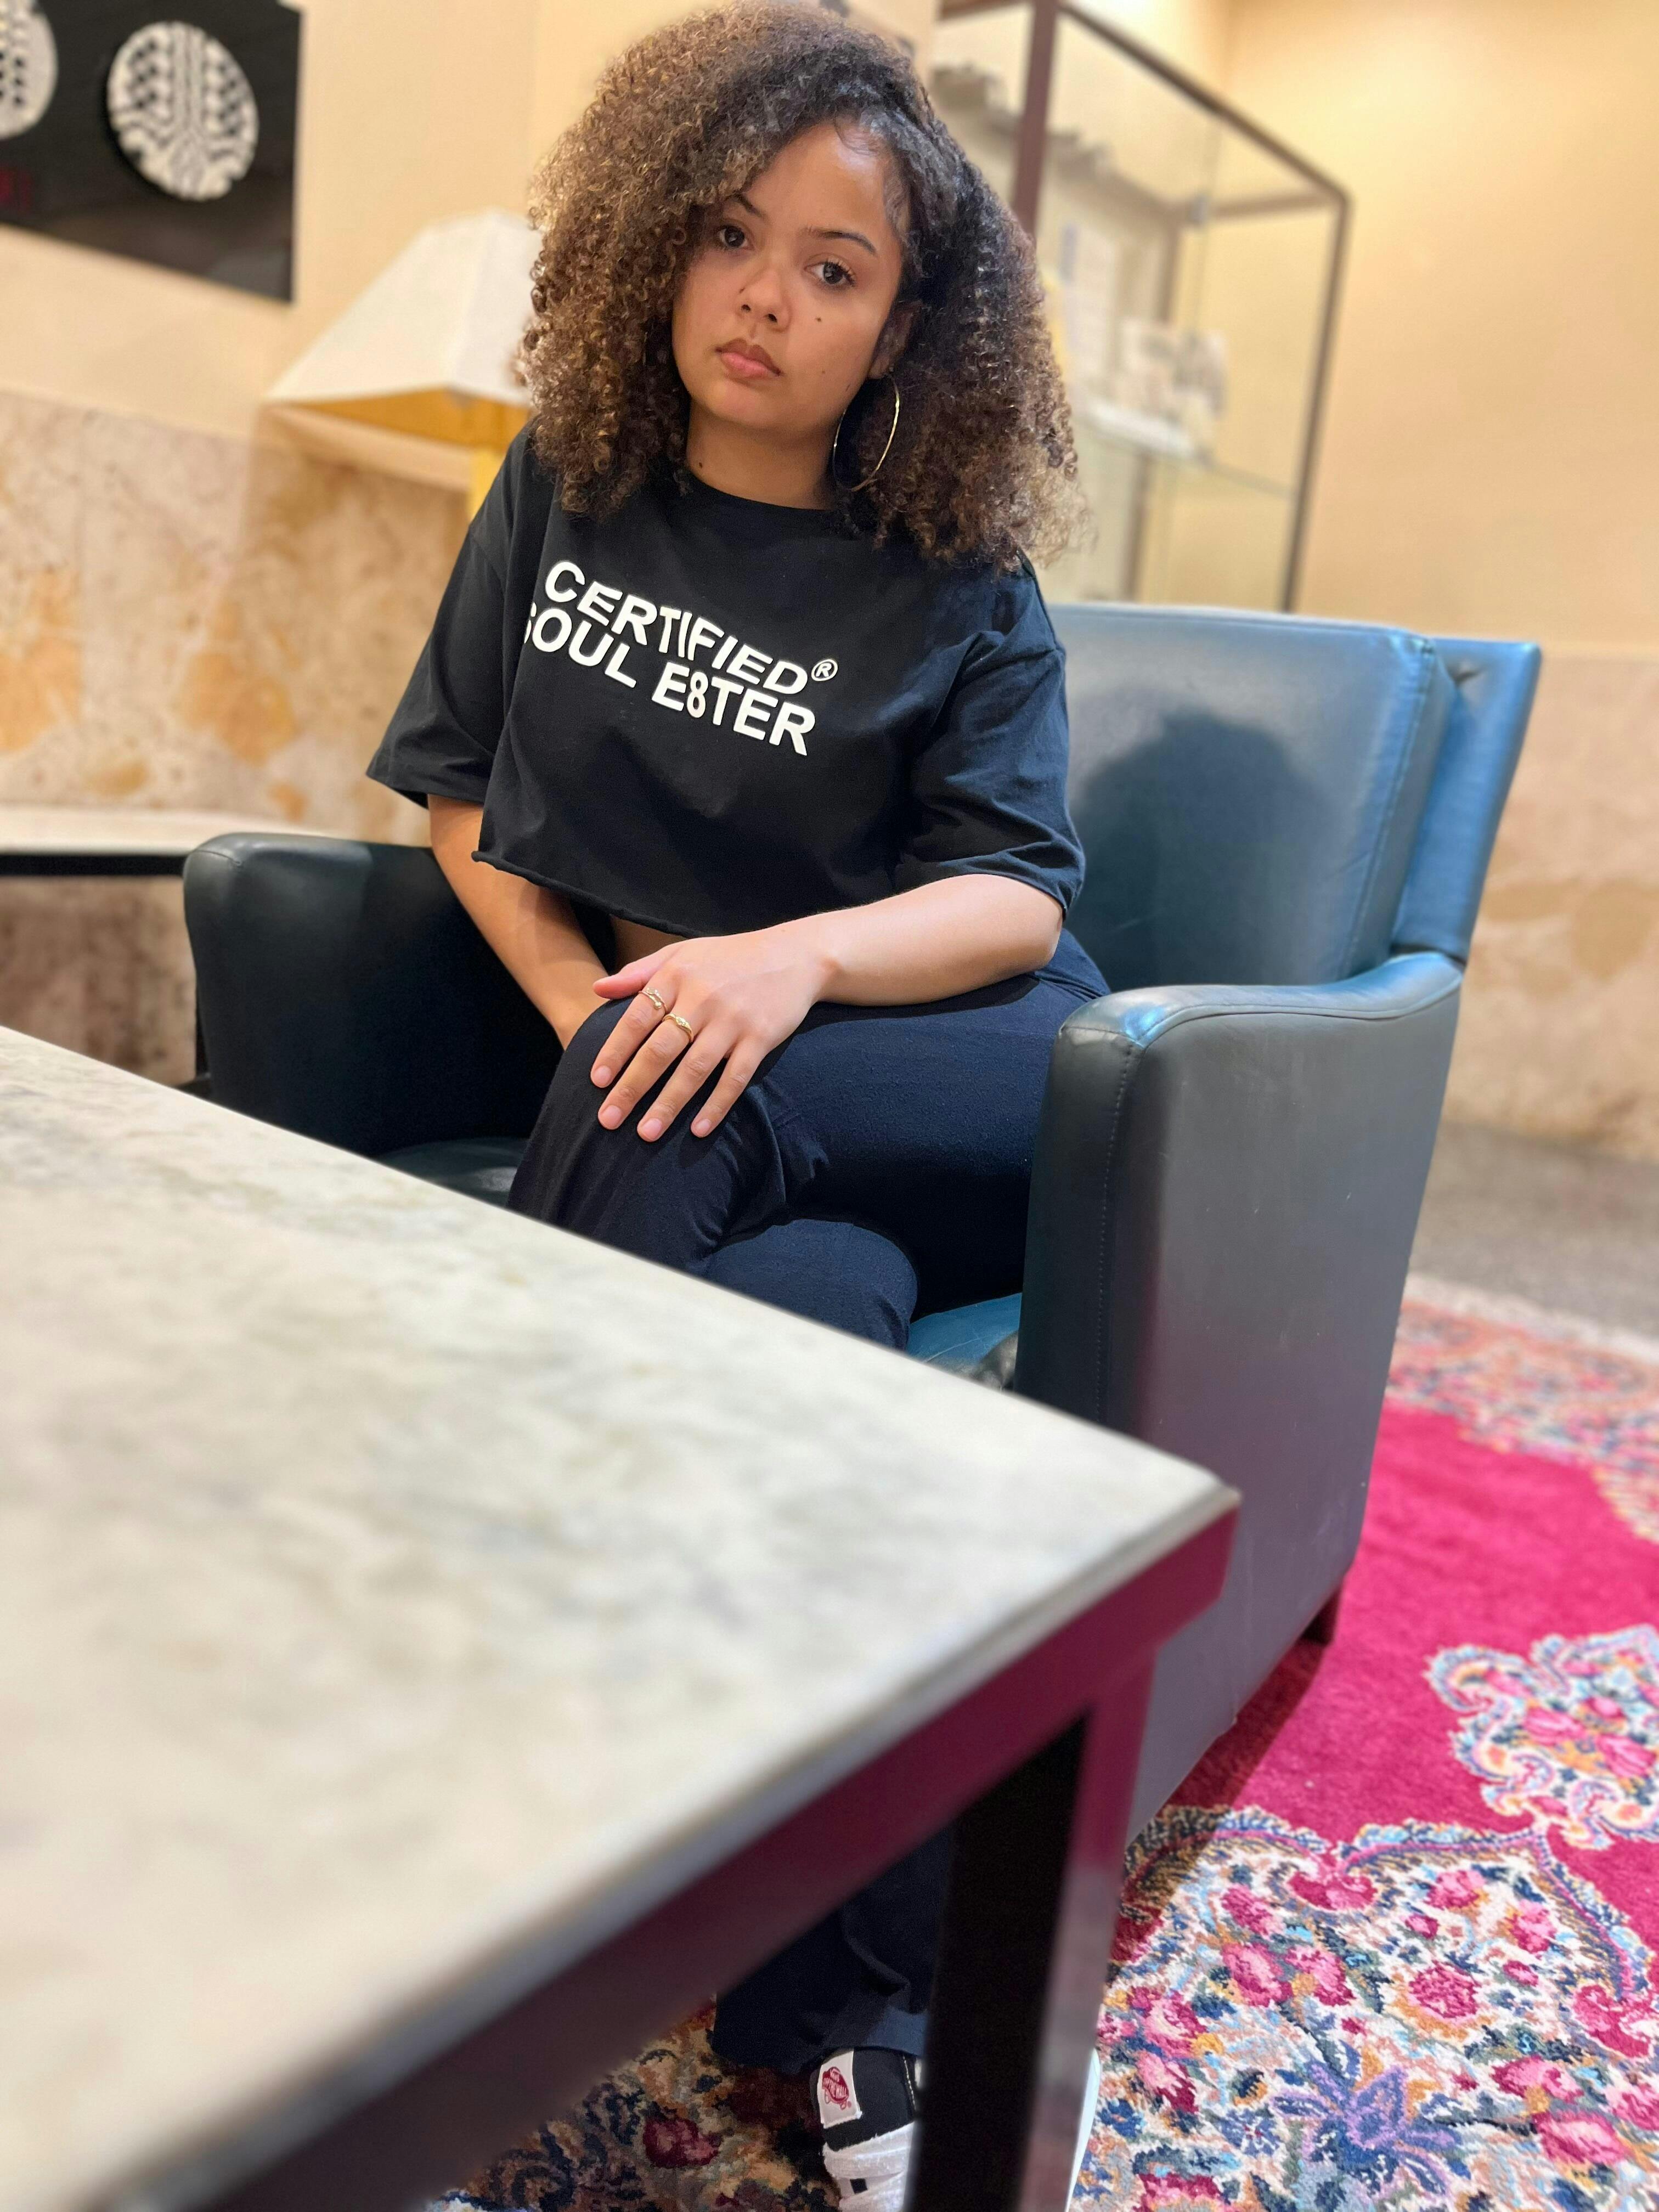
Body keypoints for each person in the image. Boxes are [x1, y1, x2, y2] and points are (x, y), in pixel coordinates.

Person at [368, 7, 1105, 2203]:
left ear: (905, 330)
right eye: (729, 232)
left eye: (834, 265)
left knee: (682, 1087)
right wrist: (592, 1006)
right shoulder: (567, 484)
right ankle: (848, 2013)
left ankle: (447, 1830)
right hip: (726, 1137)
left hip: (965, 1067)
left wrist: (786, 966)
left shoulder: (956, 571)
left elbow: (1015, 896)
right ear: (656, 238)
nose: (765, 294)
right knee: (808, 1343)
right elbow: (463, 795)